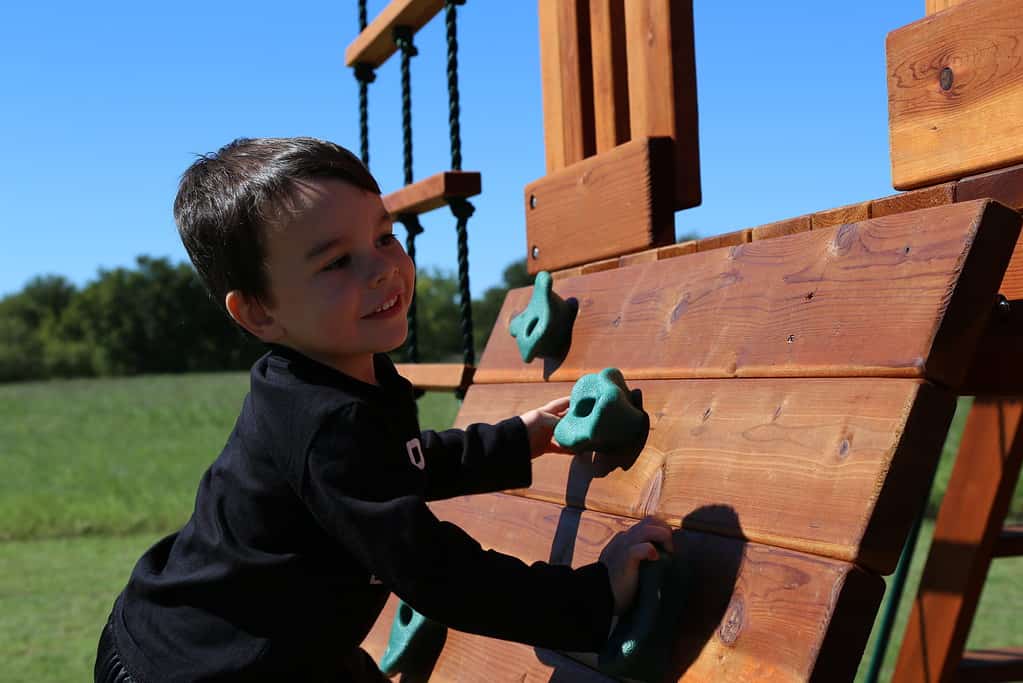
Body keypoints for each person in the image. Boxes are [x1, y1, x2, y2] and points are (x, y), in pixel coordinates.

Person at [94, 137, 673, 682]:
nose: (382, 269)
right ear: (259, 313)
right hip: (197, 666)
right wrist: (592, 598)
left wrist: (519, 438)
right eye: (335, 263)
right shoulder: (323, 420)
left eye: (384, 237)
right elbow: (433, 570)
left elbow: (398, 464)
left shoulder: (340, 376)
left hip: (261, 638)